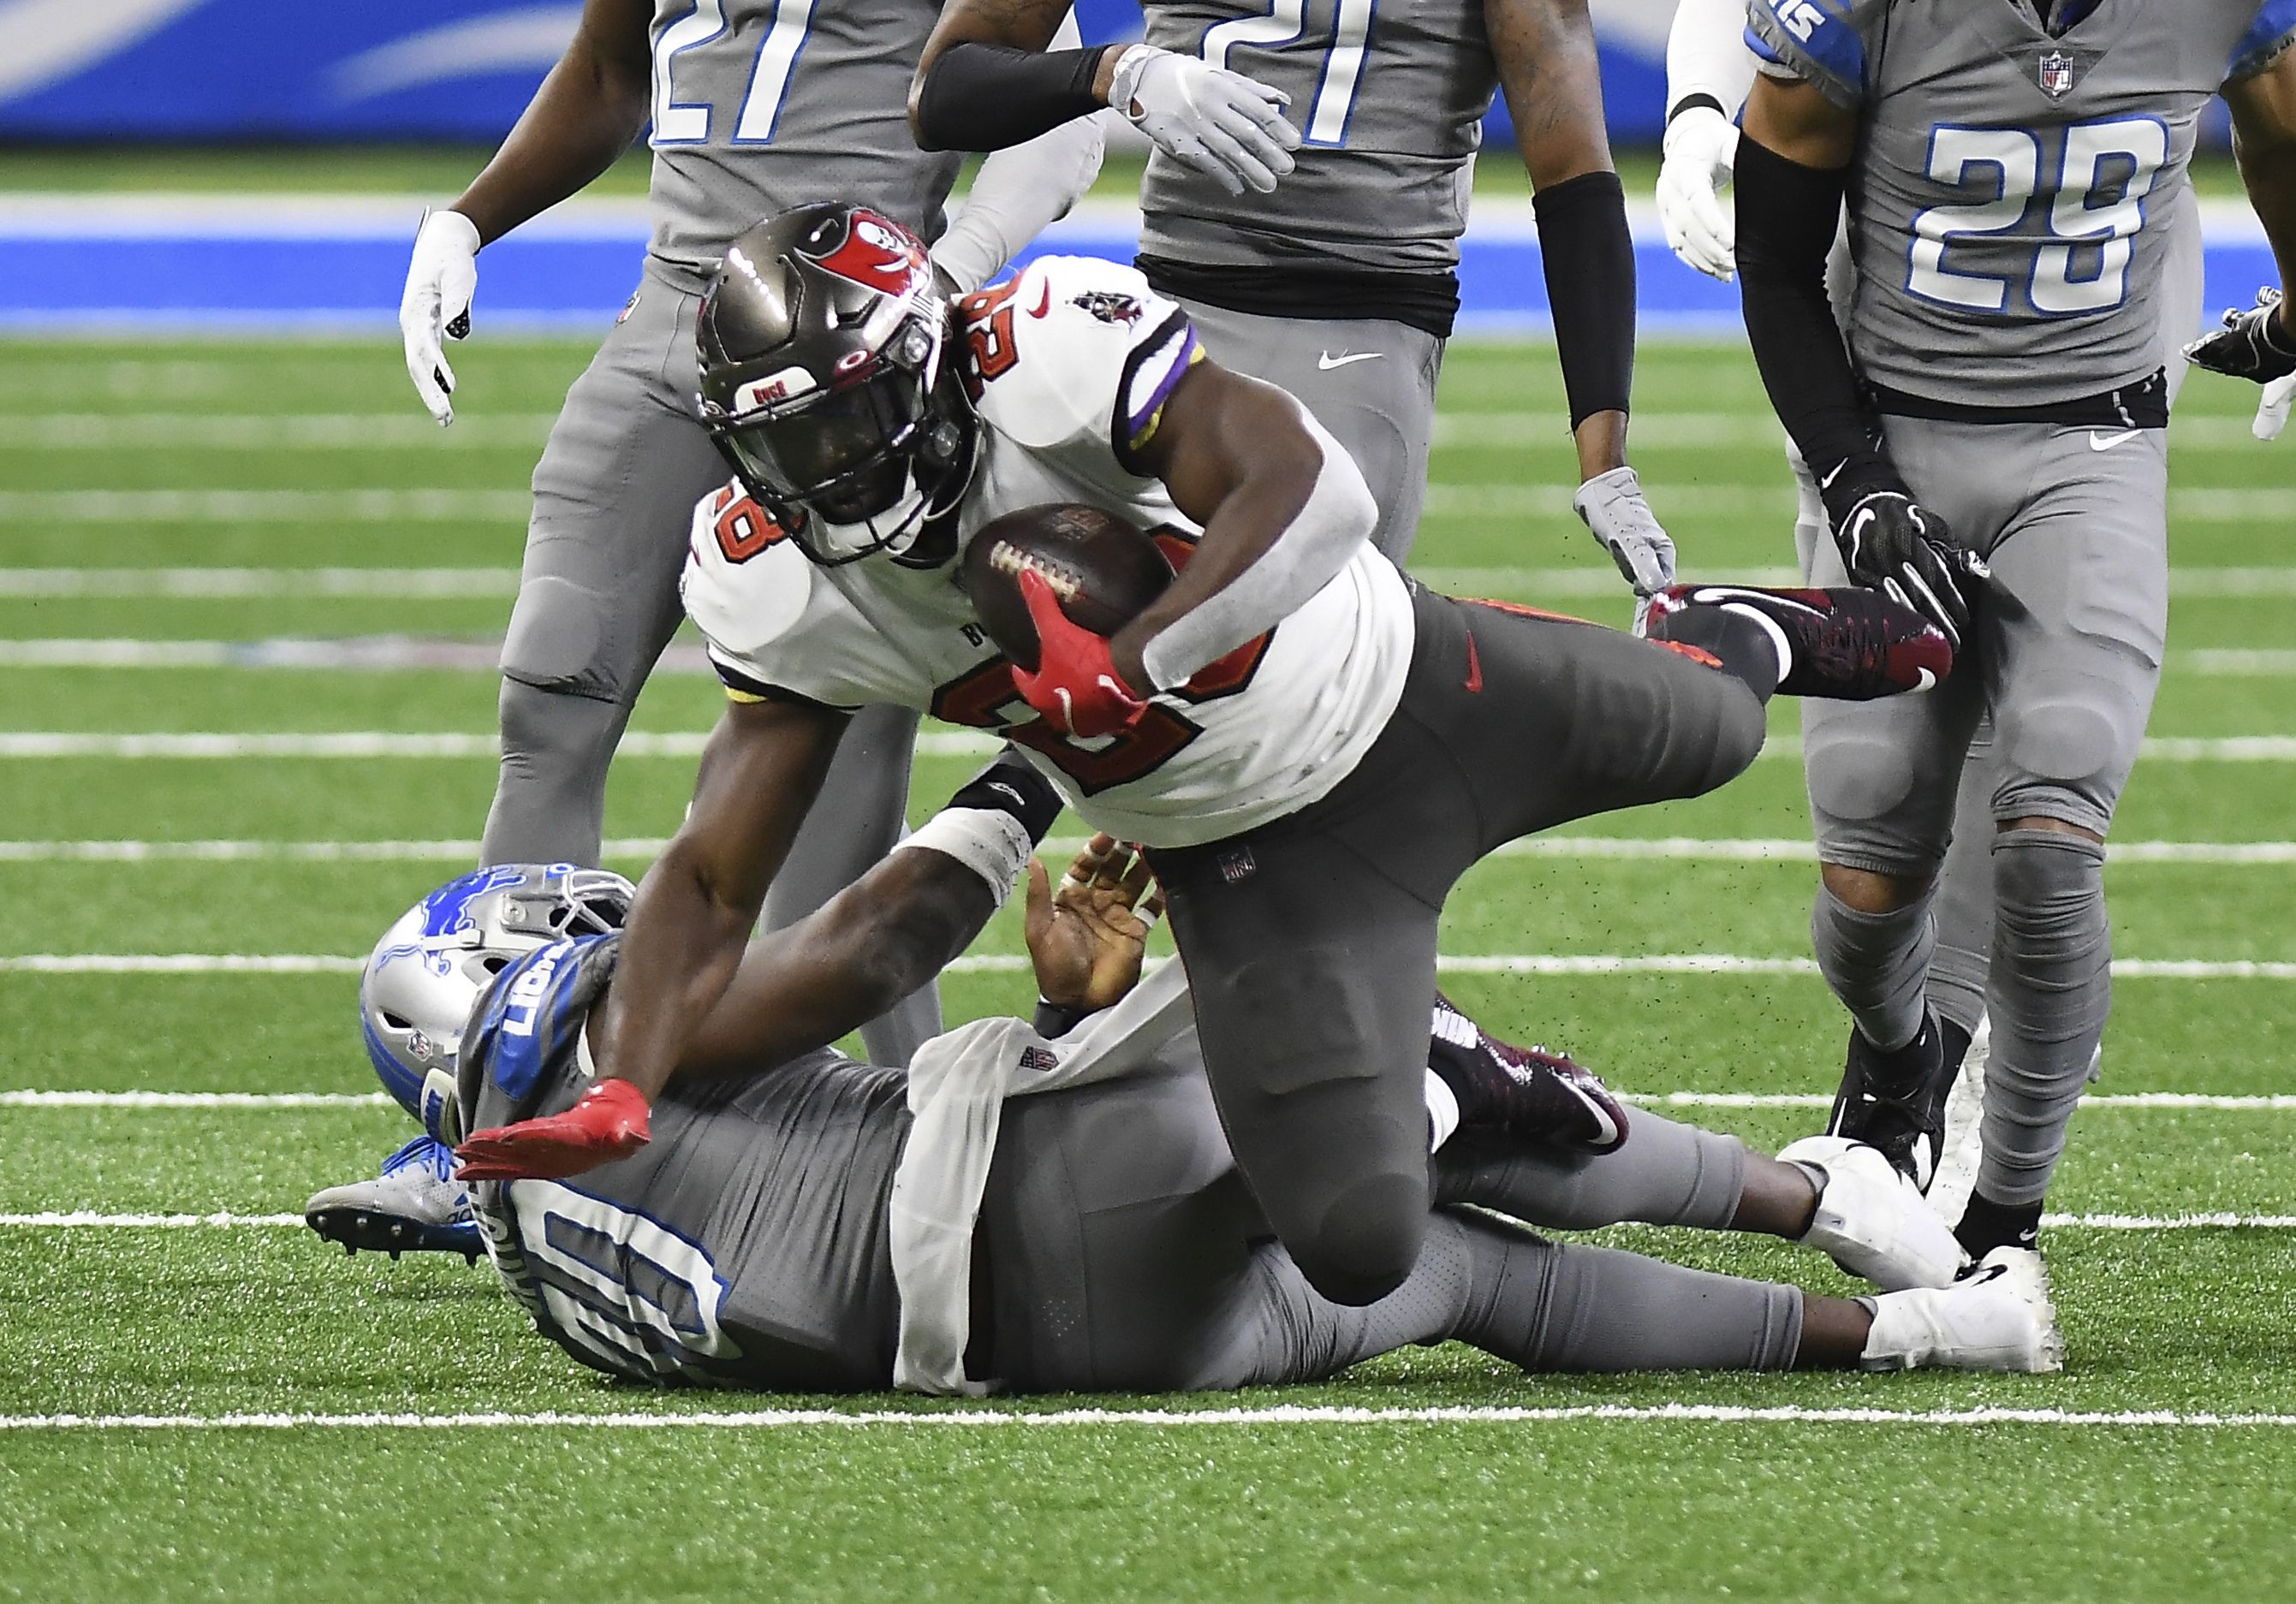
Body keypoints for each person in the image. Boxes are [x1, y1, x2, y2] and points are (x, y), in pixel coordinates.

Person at [444, 204, 1964, 1322]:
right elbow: (716, 866)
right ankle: (1469, 1082)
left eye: (852, 425)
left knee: (1709, 734)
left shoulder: (1043, 350)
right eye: (793, 447)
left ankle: (1729, 633)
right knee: (1358, 1238)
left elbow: (1314, 492)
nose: (829, 476)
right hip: (1249, 849)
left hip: (1404, 675)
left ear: (925, 366)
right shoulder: (780, 579)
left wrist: (1148, 652)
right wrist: (626, 1079)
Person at [339, 810, 2059, 1393]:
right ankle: (1831, 1201)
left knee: (1464, 1278)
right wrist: (1025, 748)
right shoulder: (606, 1057)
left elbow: (808, 1210)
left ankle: (1921, 1345)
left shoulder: (533, 1243)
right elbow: (872, 949)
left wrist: (1060, 1022)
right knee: (1403, 1063)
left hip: (1051, 1346)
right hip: (1041, 1196)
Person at [1731, 0, 2296, 1264]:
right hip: (1893, 428)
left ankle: (2002, 1221)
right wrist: (1852, 480)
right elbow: (1775, 257)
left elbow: (2292, 120)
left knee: (2050, 826)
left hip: (2087, 440)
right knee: (1866, 864)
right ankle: (1897, 1053)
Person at [393, 0, 1109, 1067]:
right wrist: (467, 219)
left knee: (839, 801)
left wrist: (955, 265)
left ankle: (911, 1123)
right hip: (675, 326)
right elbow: (605, 72)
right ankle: (503, 1111)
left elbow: (1058, 107)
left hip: (858, 361)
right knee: (551, 695)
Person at [901, 0, 1680, 594]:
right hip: (1165, 312)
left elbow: (1571, 168)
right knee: (1053, 638)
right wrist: (1114, 74)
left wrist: (1603, 460)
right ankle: (1003, 806)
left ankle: (1004, 806)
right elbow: (945, 92)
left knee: (1277, 673)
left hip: (1364, 320)